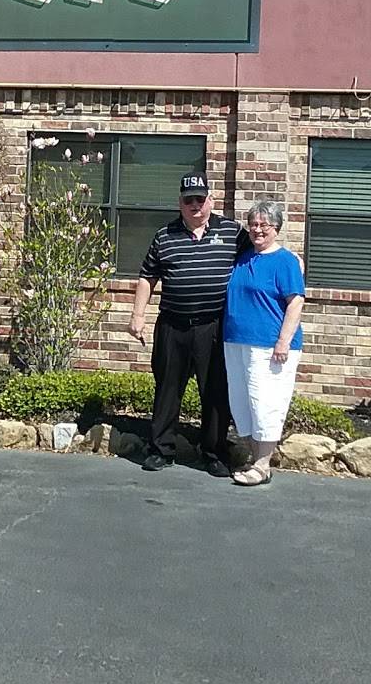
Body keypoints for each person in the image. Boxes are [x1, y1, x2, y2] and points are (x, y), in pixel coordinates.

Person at [128, 173, 246, 477]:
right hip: (173, 325)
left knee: (216, 392)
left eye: (200, 199)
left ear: (211, 201)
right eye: (188, 199)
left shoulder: (233, 232)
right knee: (167, 390)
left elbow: (260, 253)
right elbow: (147, 276)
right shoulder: (164, 236)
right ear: (180, 203)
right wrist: (138, 315)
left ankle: (214, 453)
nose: (195, 205)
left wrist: (289, 261)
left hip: (213, 327)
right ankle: (161, 450)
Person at [223, 200, 306, 488]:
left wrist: (283, 341)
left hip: (270, 346)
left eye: (264, 225)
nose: (258, 230)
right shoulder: (243, 257)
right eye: (253, 224)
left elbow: (295, 302)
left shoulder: (285, 261)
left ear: (277, 228)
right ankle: (256, 459)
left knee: (265, 403)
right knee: (241, 404)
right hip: (235, 342)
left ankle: (262, 464)